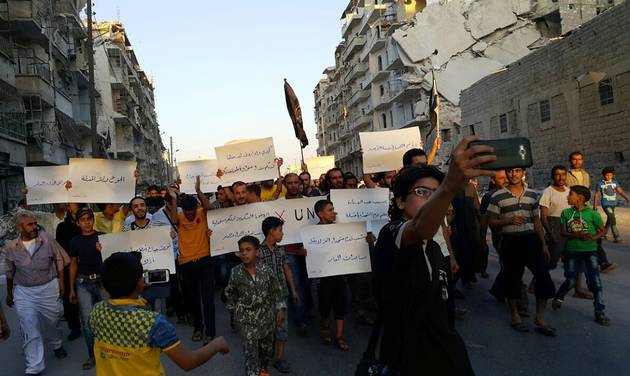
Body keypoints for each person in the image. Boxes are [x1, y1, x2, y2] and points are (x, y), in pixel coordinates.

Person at [373, 136, 492, 375]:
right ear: (400, 201)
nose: (431, 198)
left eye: (436, 193)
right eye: (421, 192)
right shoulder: (391, 234)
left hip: (445, 350)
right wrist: (448, 186)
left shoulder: (435, 249)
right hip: (408, 354)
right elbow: (419, 228)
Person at [89, 252, 230, 376]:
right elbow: (188, 362)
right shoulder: (153, 323)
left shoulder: (96, 311)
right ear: (140, 282)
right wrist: (216, 345)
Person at [486, 168, 556, 336]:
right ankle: (515, 316)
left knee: (543, 277)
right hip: (511, 241)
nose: (513, 174)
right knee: (513, 279)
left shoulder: (532, 195)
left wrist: (543, 244)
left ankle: (539, 317)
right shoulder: (497, 196)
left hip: (531, 240)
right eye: (510, 171)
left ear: (523, 172)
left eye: (517, 171)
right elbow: (491, 222)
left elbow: (536, 221)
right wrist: (507, 220)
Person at [5, 210, 68, 375]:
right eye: (30, 224)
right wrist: (9, 293)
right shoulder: (12, 247)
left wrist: (61, 281)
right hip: (24, 292)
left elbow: (59, 259)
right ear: (20, 227)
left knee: (52, 322)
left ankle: (56, 343)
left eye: (35, 223)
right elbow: (10, 272)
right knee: (29, 327)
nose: (34, 227)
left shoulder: (47, 240)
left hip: (48, 287)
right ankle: (34, 366)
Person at [224, 236, 286, 376]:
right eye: (241, 251)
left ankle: (263, 372)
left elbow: (276, 290)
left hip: (266, 321)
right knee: (251, 357)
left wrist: (280, 308)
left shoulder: (266, 270)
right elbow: (229, 292)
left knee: (265, 355)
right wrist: (234, 311)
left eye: (248, 250)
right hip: (247, 323)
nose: (244, 253)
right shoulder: (236, 273)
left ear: (257, 252)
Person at [168, 178, 216, 344]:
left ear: (196, 208)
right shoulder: (180, 216)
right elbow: (173, 220)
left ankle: (210, 332)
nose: (190, 215)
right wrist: (174, 199)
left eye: (192, 212)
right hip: (186, 263)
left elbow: (209, 206)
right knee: (193, 298)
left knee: (208, 298)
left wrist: (198, 191)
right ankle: (198, 328)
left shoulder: (202, 213)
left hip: (204, 260)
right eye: (187, 213)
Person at [553, 185, 609, 325]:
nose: (568, 196)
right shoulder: (566, 213)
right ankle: (559, 297)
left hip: (590, 251)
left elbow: (603, 231)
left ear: (580, 198)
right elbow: (564, 232)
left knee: (595, 282)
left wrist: (593, 237)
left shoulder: (592, 214)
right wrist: (576, 234)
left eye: (570, 194)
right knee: (571, 280)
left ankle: (599, 311)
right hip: (572, 251)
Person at [259, 217, 300, 373]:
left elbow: (286, 269)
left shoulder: (281, 250)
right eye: (280, 230)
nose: (282, 234)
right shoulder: (259, 253)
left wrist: (293, 290)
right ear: (271, 231)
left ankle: (279, 359)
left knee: (282, 329)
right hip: (265, 298)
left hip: (281, 297)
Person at [68, 207, 105, 369]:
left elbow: (110, 260)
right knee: (88, 321)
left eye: (89, 219)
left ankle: (109, 351)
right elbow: (73, 265)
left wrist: (102, 251)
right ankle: (92, 355)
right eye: (83, 220)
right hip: (83, 283)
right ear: (78, 223)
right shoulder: (74, 241)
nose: (87, 222)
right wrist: (71, 288)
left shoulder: (102, 237)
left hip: (103, 282)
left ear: (93, 220)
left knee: (106, 318)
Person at [313, 199, 350, 351]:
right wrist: (305, 252)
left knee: (341, 303)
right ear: (320, 214)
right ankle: (325, 328)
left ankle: (340, 336)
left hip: (339, 274)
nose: (334, 212)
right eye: (330, 210)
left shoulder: (341, 230)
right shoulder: (312, 233)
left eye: (334, 209)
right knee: (325, 304)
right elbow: (312, 253)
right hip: (323, 276)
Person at [282, 173, 314, 336]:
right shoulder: (278, 205)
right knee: (295, 285)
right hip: (289, 252)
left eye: (296, 182)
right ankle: (300, 320)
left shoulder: (308, 202)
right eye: (290, 183)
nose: (293, 185)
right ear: (284, 184)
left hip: (308, 250)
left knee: (308, 283)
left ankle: (308, 311)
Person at [55, 203, 84, 341]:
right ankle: (75, 327)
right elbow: (60, 248)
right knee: (69, 296)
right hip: (69, 265)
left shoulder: (88, 222)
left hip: (87, 265)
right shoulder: (62, 226)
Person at [539, 166, 571, 271]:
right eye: (558, 175)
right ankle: (536, 283)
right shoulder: (548, 192)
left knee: (571, 260)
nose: (561, 178)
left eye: (563, 174)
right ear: (553, 176)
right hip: (554, 226)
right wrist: (550, 232)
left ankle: (575, 285)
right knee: (551, 261)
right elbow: (543, 215)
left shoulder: (569, 191)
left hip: (568, 226)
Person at [594, 167, 629, 243]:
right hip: (605, 204)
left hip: (613, 204)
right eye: (607, 175)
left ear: (613, 175)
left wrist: (627, 198)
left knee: (610, 219)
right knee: (612, 219)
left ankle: (603, 233)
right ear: (604, 175)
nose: (609, 176)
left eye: (610, 175)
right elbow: (597, 195)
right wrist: (595, 205)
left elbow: (620, 191)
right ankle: (617, 237)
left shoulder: (614, 182)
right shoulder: (600, 183)